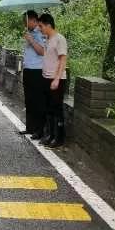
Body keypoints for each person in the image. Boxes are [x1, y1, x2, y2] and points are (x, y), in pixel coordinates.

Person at [38, 13, 68, 148]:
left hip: (56, 79)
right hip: (46, 77)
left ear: (48, 25)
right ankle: (50, 135)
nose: (40, 29)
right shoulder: (47, 40)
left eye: (41, 26)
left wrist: (56, 79)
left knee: (57, 109)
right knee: (48, 108)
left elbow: (63, 59)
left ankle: (59, 138)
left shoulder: (59, 39)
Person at [19, 10, 46, 138]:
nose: (25, 23)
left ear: (34, 20)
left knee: (37, 101)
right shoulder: (28, 33)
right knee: (28, 100)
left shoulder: (41, 33)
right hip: (28, 70)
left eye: (26, 20)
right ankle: (29, 127)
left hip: (37, 71)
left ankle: (38, 130)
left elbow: (42, 51)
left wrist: (31, 40)